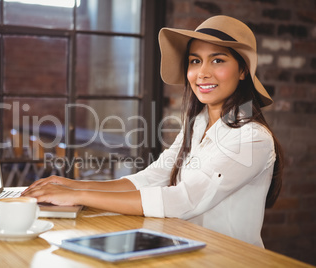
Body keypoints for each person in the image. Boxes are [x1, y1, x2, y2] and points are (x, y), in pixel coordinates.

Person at [22, 15, 283, 247]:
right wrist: (74, 185)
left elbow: (183, 200)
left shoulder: (252, 138)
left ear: (242, 71)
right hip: (186, 249)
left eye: (217, 60)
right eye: (195, 61)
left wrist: (78, 196)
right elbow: (153, 177)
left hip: (231, 260)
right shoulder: (197, 124)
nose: (202, 73)